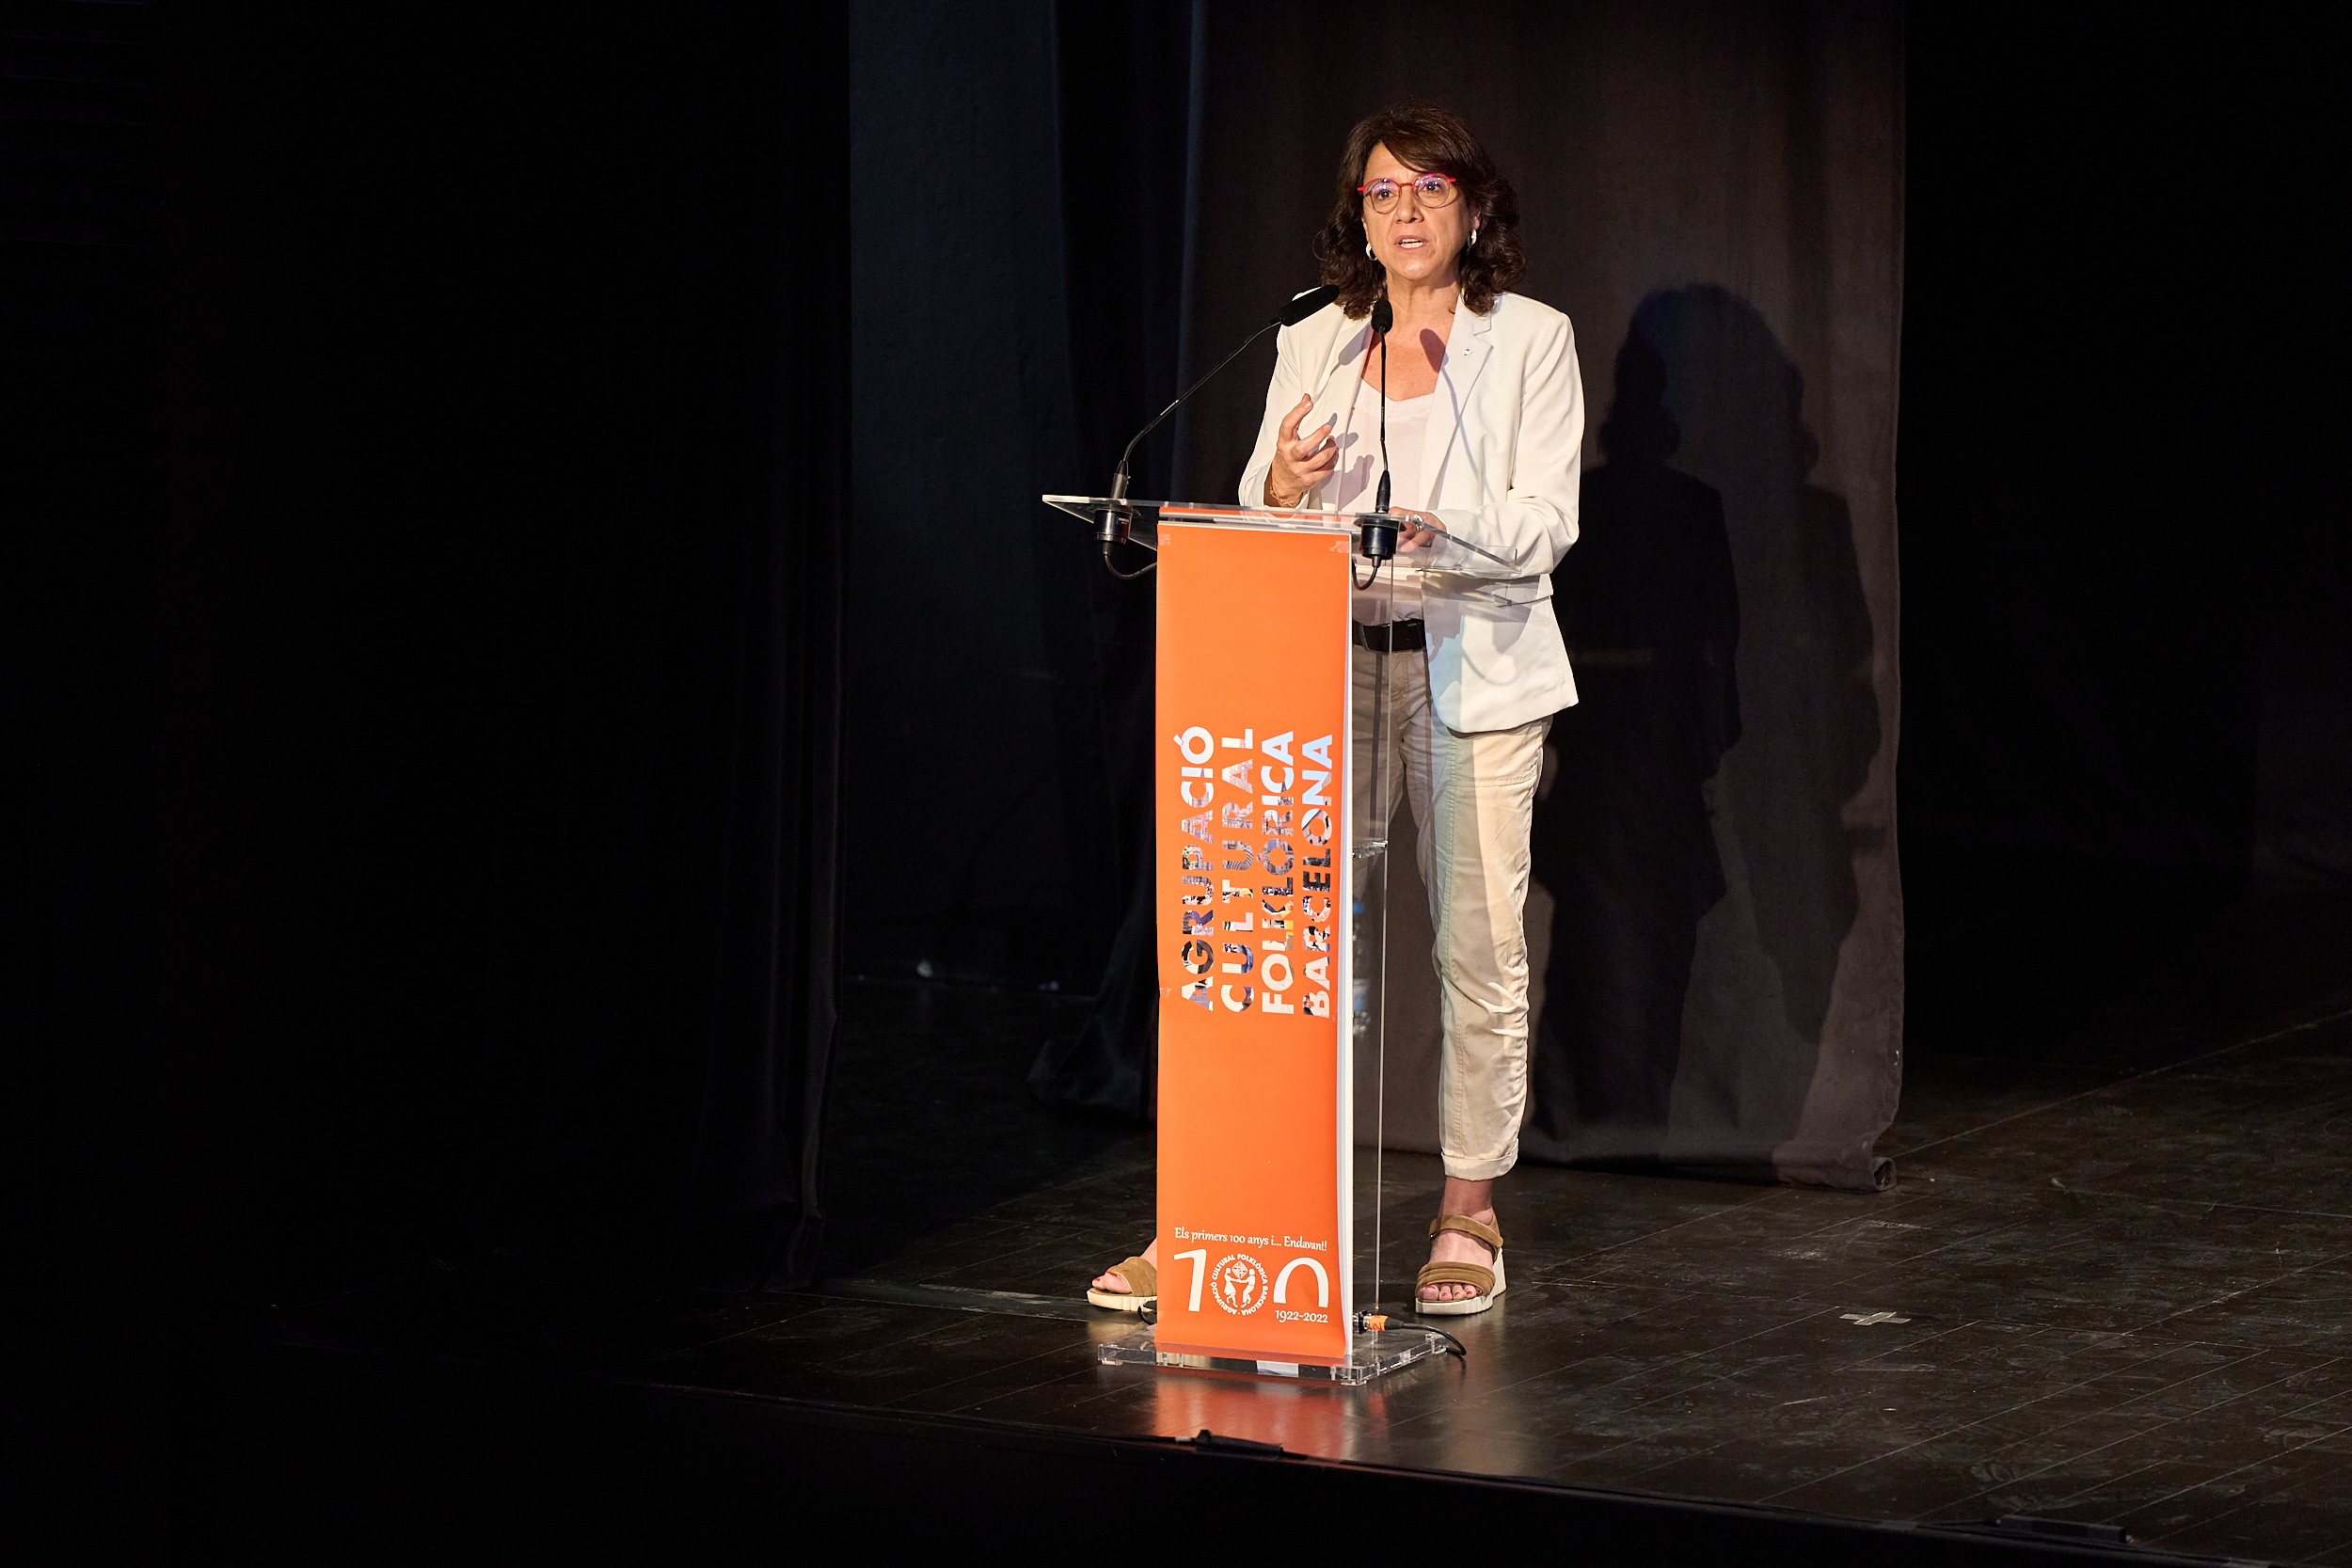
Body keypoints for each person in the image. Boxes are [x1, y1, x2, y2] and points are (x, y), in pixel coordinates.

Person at [1089, 102, 1585, 1316]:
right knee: (1278, 954)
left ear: (1474, 207)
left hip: (1471, 671)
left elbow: (1548, 525)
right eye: (1383, 192)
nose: (1406, 212)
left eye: (1430, 189)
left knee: (1477, 952)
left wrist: (1444, 525)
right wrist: (1281, 479)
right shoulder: (1314, 337)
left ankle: (1467, 1215)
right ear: (1358, 217)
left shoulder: (1530, 338)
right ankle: (1227, 1215)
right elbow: (1263, 507)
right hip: (1318, 670)